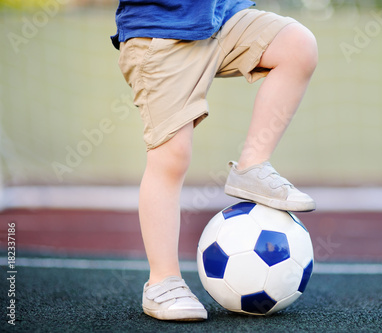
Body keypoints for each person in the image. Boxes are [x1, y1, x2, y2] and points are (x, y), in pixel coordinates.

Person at [111, 0, 318, 321]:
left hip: (220, 17)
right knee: (172, 155)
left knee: (297, 45)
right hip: (160, 31)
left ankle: (252, 166)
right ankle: (162, 282)